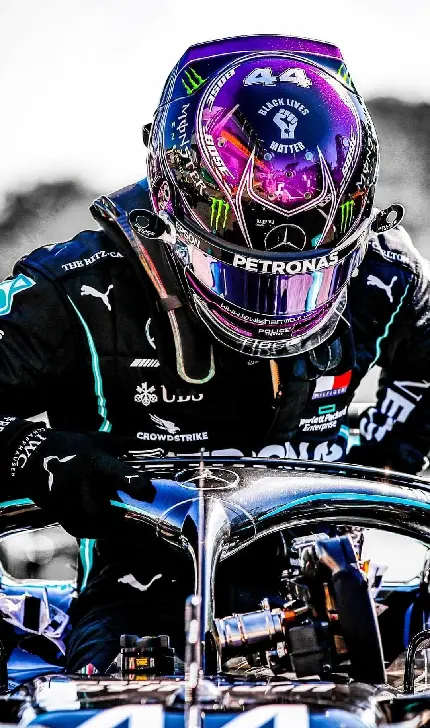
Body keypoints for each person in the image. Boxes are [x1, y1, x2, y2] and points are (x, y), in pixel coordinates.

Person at [1, 34, 429, 672]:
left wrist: (370, 467)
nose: (275, 307)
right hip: (140, 591)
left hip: (330, 586)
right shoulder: (78, 290)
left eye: (302, 277)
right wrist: (39, 456)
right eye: (249, 275)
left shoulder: (385, 276)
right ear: (175, 211)